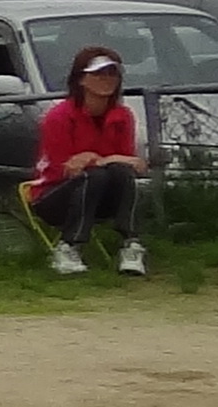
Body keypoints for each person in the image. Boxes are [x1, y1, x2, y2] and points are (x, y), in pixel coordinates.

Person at [28, 44, 146, 276]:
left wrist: (96, 158)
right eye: (98, 73)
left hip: (100, 195)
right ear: (81, 79)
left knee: (121, 174)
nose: (107, 79)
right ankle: (68, 246)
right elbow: (64, 169)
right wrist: (106, 160)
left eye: (112, 73)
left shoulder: (123, 116)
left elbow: (128, 162)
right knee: (94, 176)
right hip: (54, 197)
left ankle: (131, 245)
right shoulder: (59, 116)